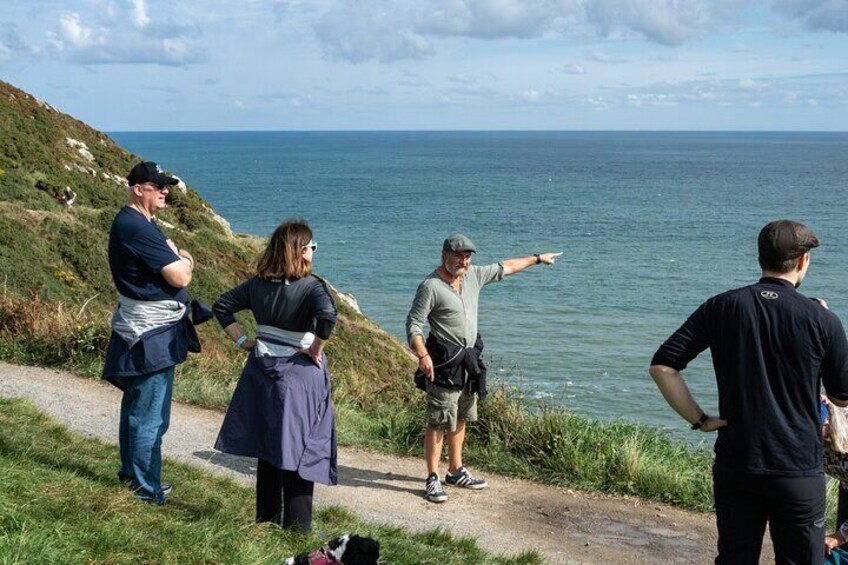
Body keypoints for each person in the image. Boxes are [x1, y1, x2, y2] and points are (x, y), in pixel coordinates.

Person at [649, 219, 848, 564]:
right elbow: (842, 396)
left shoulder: (722, 306)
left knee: (735, 558)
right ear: (802, 261)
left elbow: (663, 367)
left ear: (761, 258)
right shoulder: (821, 320)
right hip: (797, 467)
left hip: (737, 462)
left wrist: (700, 419)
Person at [406, 233, 562, 503]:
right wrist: (422, 355)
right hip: (443, 361)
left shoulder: (473, 276)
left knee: (463, 415)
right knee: (439, 420)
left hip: (468, 361)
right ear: (444, 255)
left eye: (467, 256)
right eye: (458, 255)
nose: (463, 260)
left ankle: (455, 470)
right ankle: (432, 478)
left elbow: (507, 266)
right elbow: (413, 324)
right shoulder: (430, 286)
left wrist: (537, 259)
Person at [213, 219, 337, 532]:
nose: (314, 252)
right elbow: (327, 317)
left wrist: (242, 340)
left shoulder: (257, 284)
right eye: (312, 246)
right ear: (301, 251)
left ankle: (265, 522)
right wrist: (315, 347)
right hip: (299, 377)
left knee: (268, 448)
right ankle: (298, 528)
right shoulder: (312, 287)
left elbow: (221, 306)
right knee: (300, 451)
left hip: (261, 370)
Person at [102, 161, 197, 504]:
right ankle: (144, 490)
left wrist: (174, 254)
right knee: (150, 417)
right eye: (157, 186)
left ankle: (134, 478)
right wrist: (184, 257)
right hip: (151, 335)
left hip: (140, 329)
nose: (165, 191)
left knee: (137, 408)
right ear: (137, 189)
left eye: (166, 186)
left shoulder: (135, 223)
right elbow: (180, 277)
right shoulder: (138, 228)